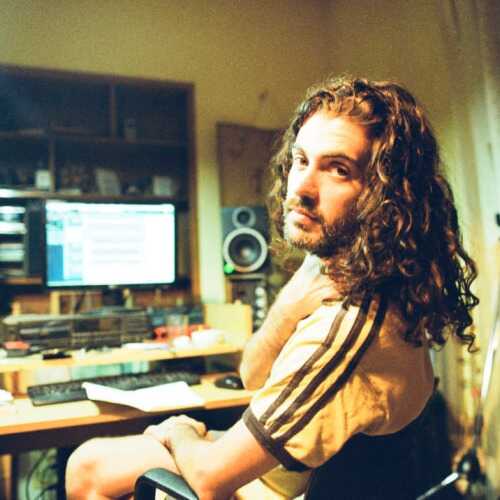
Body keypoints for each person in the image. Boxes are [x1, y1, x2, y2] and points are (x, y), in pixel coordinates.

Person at [65, 76, 479, 500]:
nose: (301, 188)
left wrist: (178, 430)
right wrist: (287, 308)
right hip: (289, 472)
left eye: (338, 169)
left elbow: (208, 481)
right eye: (301, 160)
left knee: (86, 468)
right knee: (93, 462)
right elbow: (252, 376)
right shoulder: (350, 277)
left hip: (278, 489)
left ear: (385, 195)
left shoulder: (348, 324)